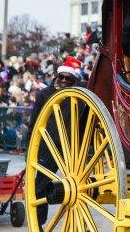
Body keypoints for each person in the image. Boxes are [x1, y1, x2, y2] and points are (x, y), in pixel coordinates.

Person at [27, 56, 82, 226]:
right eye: (62, 77)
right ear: (57, 76)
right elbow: (34, 122)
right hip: (47, 145)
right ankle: (38, 223)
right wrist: (30, 150)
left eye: (69, 79)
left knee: (80, 188)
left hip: (71, 146)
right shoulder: (44, 94)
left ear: (74, 80)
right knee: (41, 185)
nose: (64, 81)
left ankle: (80, 224)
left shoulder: (80, 94)